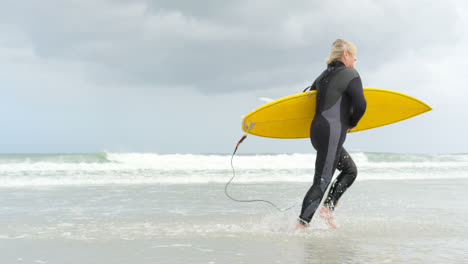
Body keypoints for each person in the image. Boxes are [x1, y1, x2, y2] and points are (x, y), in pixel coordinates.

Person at [294, 39, 367, 230]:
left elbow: (308, 97)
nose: (355, 58)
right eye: (353, 55)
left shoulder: (322, 76)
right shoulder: (351, 73)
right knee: (322, 180)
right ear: (345, 55)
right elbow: (361, 105)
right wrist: (352, 122)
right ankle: (301, 227)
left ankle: (327, 208)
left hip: (317, 132)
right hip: (332, 132)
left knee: (350, 170)